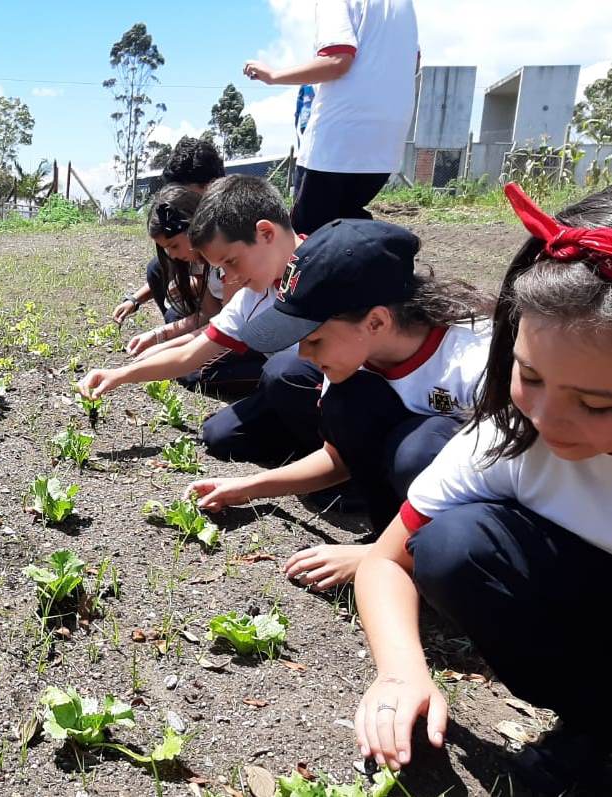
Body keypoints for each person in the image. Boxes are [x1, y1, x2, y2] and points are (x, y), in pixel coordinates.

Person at [351, 183, 612, 793]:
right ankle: (596, 724)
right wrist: (399, 671)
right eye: (530, 374)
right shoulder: (510, 435)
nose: (549, 418)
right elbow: (384, 562)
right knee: (453, 545)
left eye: (597, 403)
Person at [188, 218, 493, 588]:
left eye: (314, 340)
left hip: (476, 524)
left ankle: (415, 558)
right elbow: (339, 457)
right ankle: (394, 542)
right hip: (412, 519)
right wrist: (249, 487)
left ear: (376, 322)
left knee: (421, 449)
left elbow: (507, 495)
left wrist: (374, 556)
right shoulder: (356, 360)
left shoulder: (476, 364)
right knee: (350, 403)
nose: (303, 352)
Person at [79, 176, 323, 464]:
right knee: (219, 435)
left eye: (231, 263)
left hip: (350, 396)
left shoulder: (327, 269)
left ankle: (338, 461)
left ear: (266, 234)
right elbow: (189, 355)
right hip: (298, 392)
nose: (229, 278)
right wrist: (118, 375)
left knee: (283, 370)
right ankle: (307, 448)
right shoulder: (254, 294)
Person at [243, 0, 418, 235]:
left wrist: (273, 76)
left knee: (308, 239)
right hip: (386, 143)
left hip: (338, 141)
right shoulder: (403, 5)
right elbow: (414, 61)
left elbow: (337, 60)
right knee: (351, 231)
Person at [121, 184, 259, 397]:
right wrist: (160, 336)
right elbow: (211, 316)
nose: (172, 255)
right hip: (230, 331)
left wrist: (165, 347)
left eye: (174, 246)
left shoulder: (228, 262)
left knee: (192, 373)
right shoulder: (198, 262)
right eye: (166, 249)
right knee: (176, 353)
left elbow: (226, 327)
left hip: (252, 339)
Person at [111, 137, 226, 326]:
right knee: (157, 268)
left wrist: (195, 285)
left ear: (211, 187)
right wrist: (135, 299)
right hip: (213, 304)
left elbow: (233, 320)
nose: (178, 202)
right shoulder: (193, 227)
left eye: (185, 194)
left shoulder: (231, 231)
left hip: (240, 321)